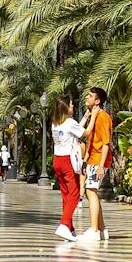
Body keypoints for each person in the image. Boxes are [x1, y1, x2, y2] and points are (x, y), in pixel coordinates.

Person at [77, 87, 115, 247]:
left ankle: (93, 230)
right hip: (92, 159)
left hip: (99, 160)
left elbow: (106, 143)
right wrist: (86, 160)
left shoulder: (103, 117)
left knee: (90, 191)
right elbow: (89, 140)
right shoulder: (94, 116)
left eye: (90, 96)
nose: (87, 97)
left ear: (98, 101)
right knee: (91, 192)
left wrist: (100, 166)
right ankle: (101, 229)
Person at [50, 97, 84, 243]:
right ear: (65, 107)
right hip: (68, 161)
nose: (73, 106)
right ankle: (64, 224)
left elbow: (76, 130)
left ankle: (69, 229)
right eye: (71, 104)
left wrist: (87, 116)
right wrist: (93, 116)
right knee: (75, 194)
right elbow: (85, 133)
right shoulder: (70, 122)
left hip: (57, 160)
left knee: (66, 195)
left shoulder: (55, 124)